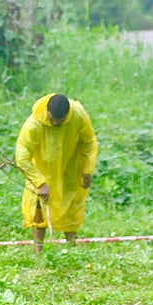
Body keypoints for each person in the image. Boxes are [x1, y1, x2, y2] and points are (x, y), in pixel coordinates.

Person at [14, 93, 98, 254]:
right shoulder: (34, 124)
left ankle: (71, 248)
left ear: (67, 115)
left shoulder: (78, 115)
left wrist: (87, 170)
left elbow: (88, 143)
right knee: (39, 212)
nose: (55, 124)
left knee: (71, 207)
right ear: (47, 111)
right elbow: (22, 156)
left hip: (70, 169)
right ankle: (39, 251)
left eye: (60, 122)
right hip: (42, 172)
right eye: (52, 120)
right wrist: (39, 182)